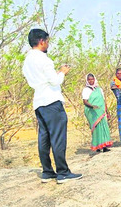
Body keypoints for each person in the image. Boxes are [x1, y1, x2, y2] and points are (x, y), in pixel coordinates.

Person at [22, 28, 82, 184]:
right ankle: (62, 172)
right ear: (42, 41)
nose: (48, 44)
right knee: (57, 137)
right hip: (51, 101)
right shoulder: (44, 59)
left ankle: (47, 172)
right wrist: (62, 72)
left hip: (39, 102)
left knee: (44, 137)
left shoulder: (27, 60)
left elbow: (39, 79)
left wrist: (54, 75)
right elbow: (55, 82)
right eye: (47, 41)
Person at [82, 73, 112, 153]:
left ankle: (104, 146)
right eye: (89, 79)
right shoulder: (86, 90)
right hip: (92, 112)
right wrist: (92, 106)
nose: (91, 81)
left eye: (92, 79)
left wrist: (107, 111)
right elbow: (85, 102)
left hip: (100, 111)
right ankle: (98, 147)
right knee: (96, 129)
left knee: (104, 127)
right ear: (87, 80)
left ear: (94, 79)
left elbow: (103, 100)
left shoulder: (99, 89)